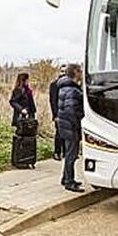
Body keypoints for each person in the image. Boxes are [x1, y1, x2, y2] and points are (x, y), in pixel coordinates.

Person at [57, 64, 85, 193]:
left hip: (65, 125)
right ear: (75, 72)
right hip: (71, 126)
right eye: (80, 71)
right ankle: (69, 181)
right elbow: (71, 110)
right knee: (71, 155)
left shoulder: (64, 88)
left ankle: (65, 178)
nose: (81, 74)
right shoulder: (72, 90)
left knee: (69, 153)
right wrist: (78, 123)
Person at [49, 66, 67, 161]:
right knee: (59, 133)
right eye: (62, 71)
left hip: (67, 113)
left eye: (65, 71)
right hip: (58, 113)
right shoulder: (54, 85)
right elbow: (53, 101)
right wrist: (55, 115)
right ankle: (57, 152)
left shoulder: (69, 85)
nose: (63, 73)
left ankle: (65, 152)